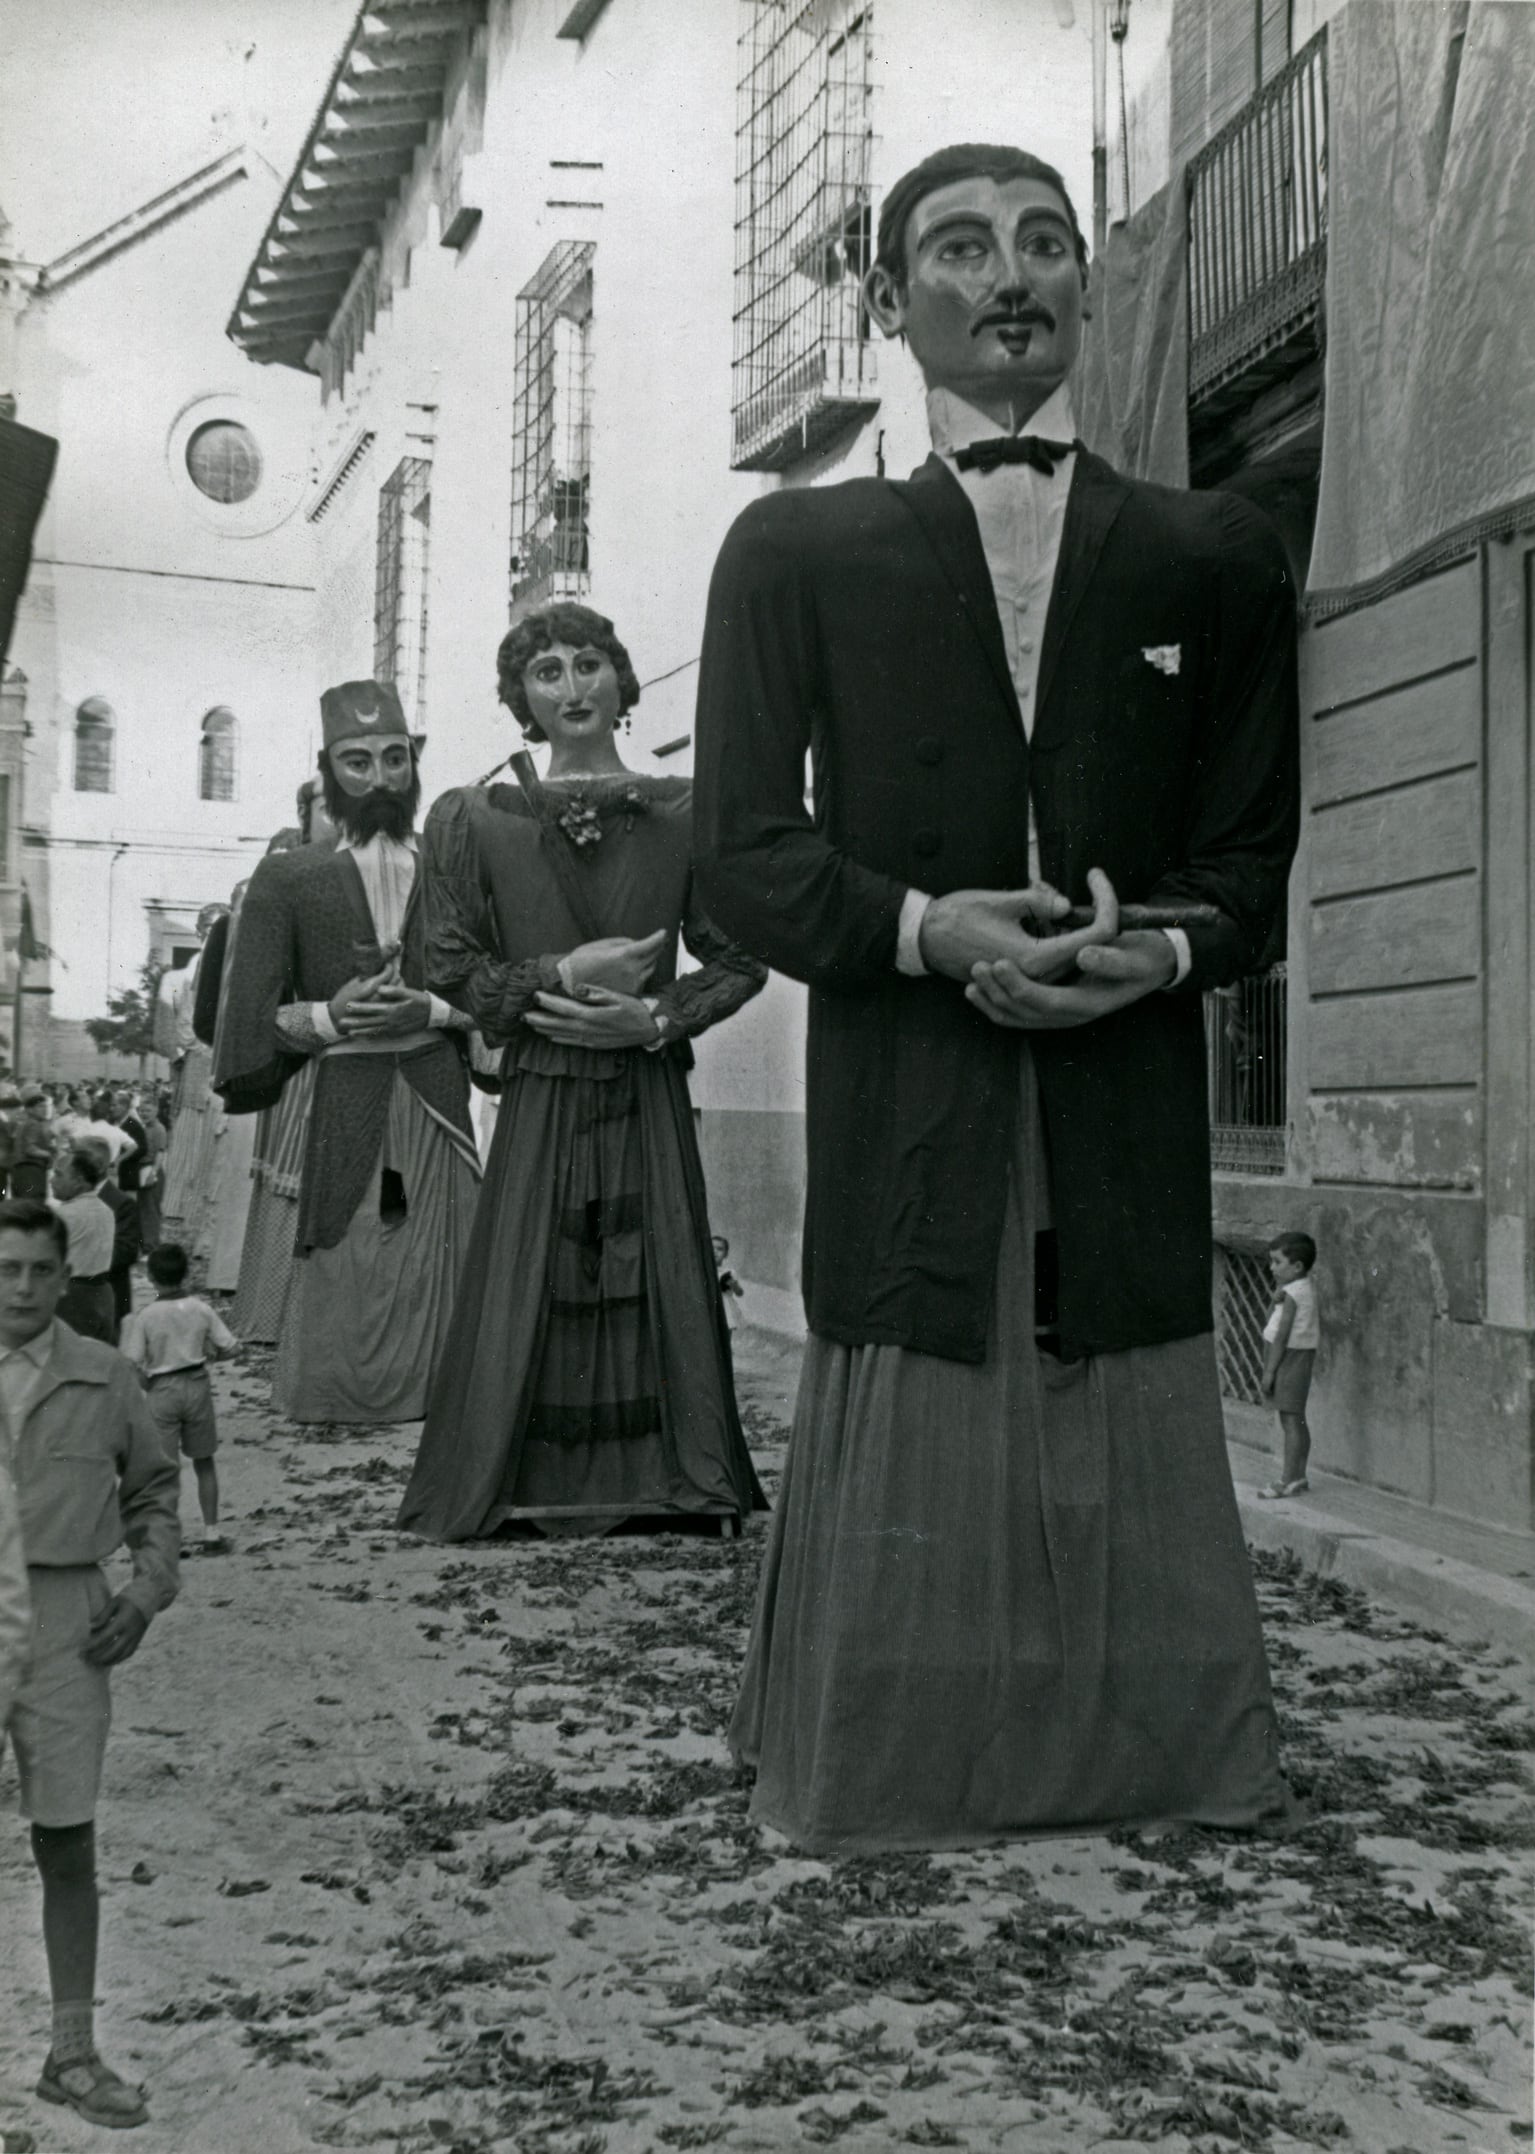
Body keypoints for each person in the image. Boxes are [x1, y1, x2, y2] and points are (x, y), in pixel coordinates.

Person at [694, 143, 1300, 1853]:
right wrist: (923, 932)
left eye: (1046, 243)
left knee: (1124, 1342)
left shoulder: (1214, 551)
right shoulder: (793, 548)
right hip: (908, 1067)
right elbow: (741, 858)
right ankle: (894, 1765)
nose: (1011, 275)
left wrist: (1156, 948)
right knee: (917, 1339)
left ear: (1092, 293)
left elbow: (1250, 862)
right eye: (960, 249)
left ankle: (1158, 1758)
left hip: (1124, 1082)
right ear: (894, 306)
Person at [397, 603, 767, 1540]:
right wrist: (559, 976)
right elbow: (443, 969)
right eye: (547, 671)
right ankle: (525, 1480)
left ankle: (674, 1479)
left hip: (643, 1083)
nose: (572, 685)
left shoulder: (687, 808)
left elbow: (738, 956)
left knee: (652, 1269)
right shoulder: (473, 817)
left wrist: (651, 1017)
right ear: (521, 696)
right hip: (541, 1088)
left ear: (622, 680)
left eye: (589, 663)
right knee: (534, 1267)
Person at [214, 682, 482, 1423]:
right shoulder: (287, 878)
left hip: (436, 1087)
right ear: (328, 767)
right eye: (357, 761)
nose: (379, 778)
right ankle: (346, 1395)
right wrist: (331, 1017)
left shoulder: (456, 867)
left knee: (445, 1239)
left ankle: (448, 1396)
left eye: (394, 758)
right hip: (347, 1091)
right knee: (352, 1238)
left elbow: (493, 992)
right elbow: (245, 1031)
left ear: (413, 763)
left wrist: (433, 1007)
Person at [0, 1198, 179, 2130]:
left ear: (65, 1280)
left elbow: (153, 1490)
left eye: (38, 1270)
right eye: (6, 1269)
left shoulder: (106, 1377)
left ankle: (70, 2054)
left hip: (69, 1617)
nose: (22, 1288)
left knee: (65, 1840)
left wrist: (144, 1595)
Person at [229, 796, 333, 1345]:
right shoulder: (285, 896)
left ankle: (302, 1319)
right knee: (295, 1183)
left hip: (332, 1052)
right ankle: (281, 1315)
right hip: (301, 1056)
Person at [119, 1242, 237, 1553]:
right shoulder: (201, 1308)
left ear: (151, 1278)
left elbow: (131, 1362)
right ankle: (212, 1533)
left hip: (163, 1387)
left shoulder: (147, 1315)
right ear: (185, 1274)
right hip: (196, 1384)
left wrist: (148, 1384)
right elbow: (231, 1347)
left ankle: (167, 1538)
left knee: (165, 1468)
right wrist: (211, 1357)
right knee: (204, 1460)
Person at [1258, 1231, 1319, 1499]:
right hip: (1292, 1356)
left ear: (1296, 1267)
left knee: (1290, 1419)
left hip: (1288, 1358)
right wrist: (1277, 1297)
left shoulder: (1295, 1294)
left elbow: (1282, 1334)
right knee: (1294, 1417)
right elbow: (1275, 1318)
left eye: (1277, 1262)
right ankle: (1298, 1476)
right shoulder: (1296, 1289)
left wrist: (1270, 1371)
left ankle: (1287, 1479)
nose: (1272, 1267)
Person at [48, 1149, 117, 1345]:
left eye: (59, 1174)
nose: (52, 1180)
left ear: (79, 1181)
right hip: (103, 1295)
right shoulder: (106, 1210)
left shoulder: (66, 1215)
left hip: (73, 1298)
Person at [74, 1138, 141, 1336]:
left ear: (100, 1165)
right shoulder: (73, 1195)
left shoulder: (121, 1203)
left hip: (107, 1297)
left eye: (79, 1159)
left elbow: (127, 1251)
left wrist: (80, 1257)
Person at [9, 1088, 55, 1202]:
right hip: (31, 1170)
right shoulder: (33, 1124)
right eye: (40, 1107)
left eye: (46, 1107)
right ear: (30, 1110)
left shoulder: (26, 1123)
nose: (44, 1110)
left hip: (21, 1170)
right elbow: (30, 1148)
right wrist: (49, 1154)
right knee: (33, 1205)